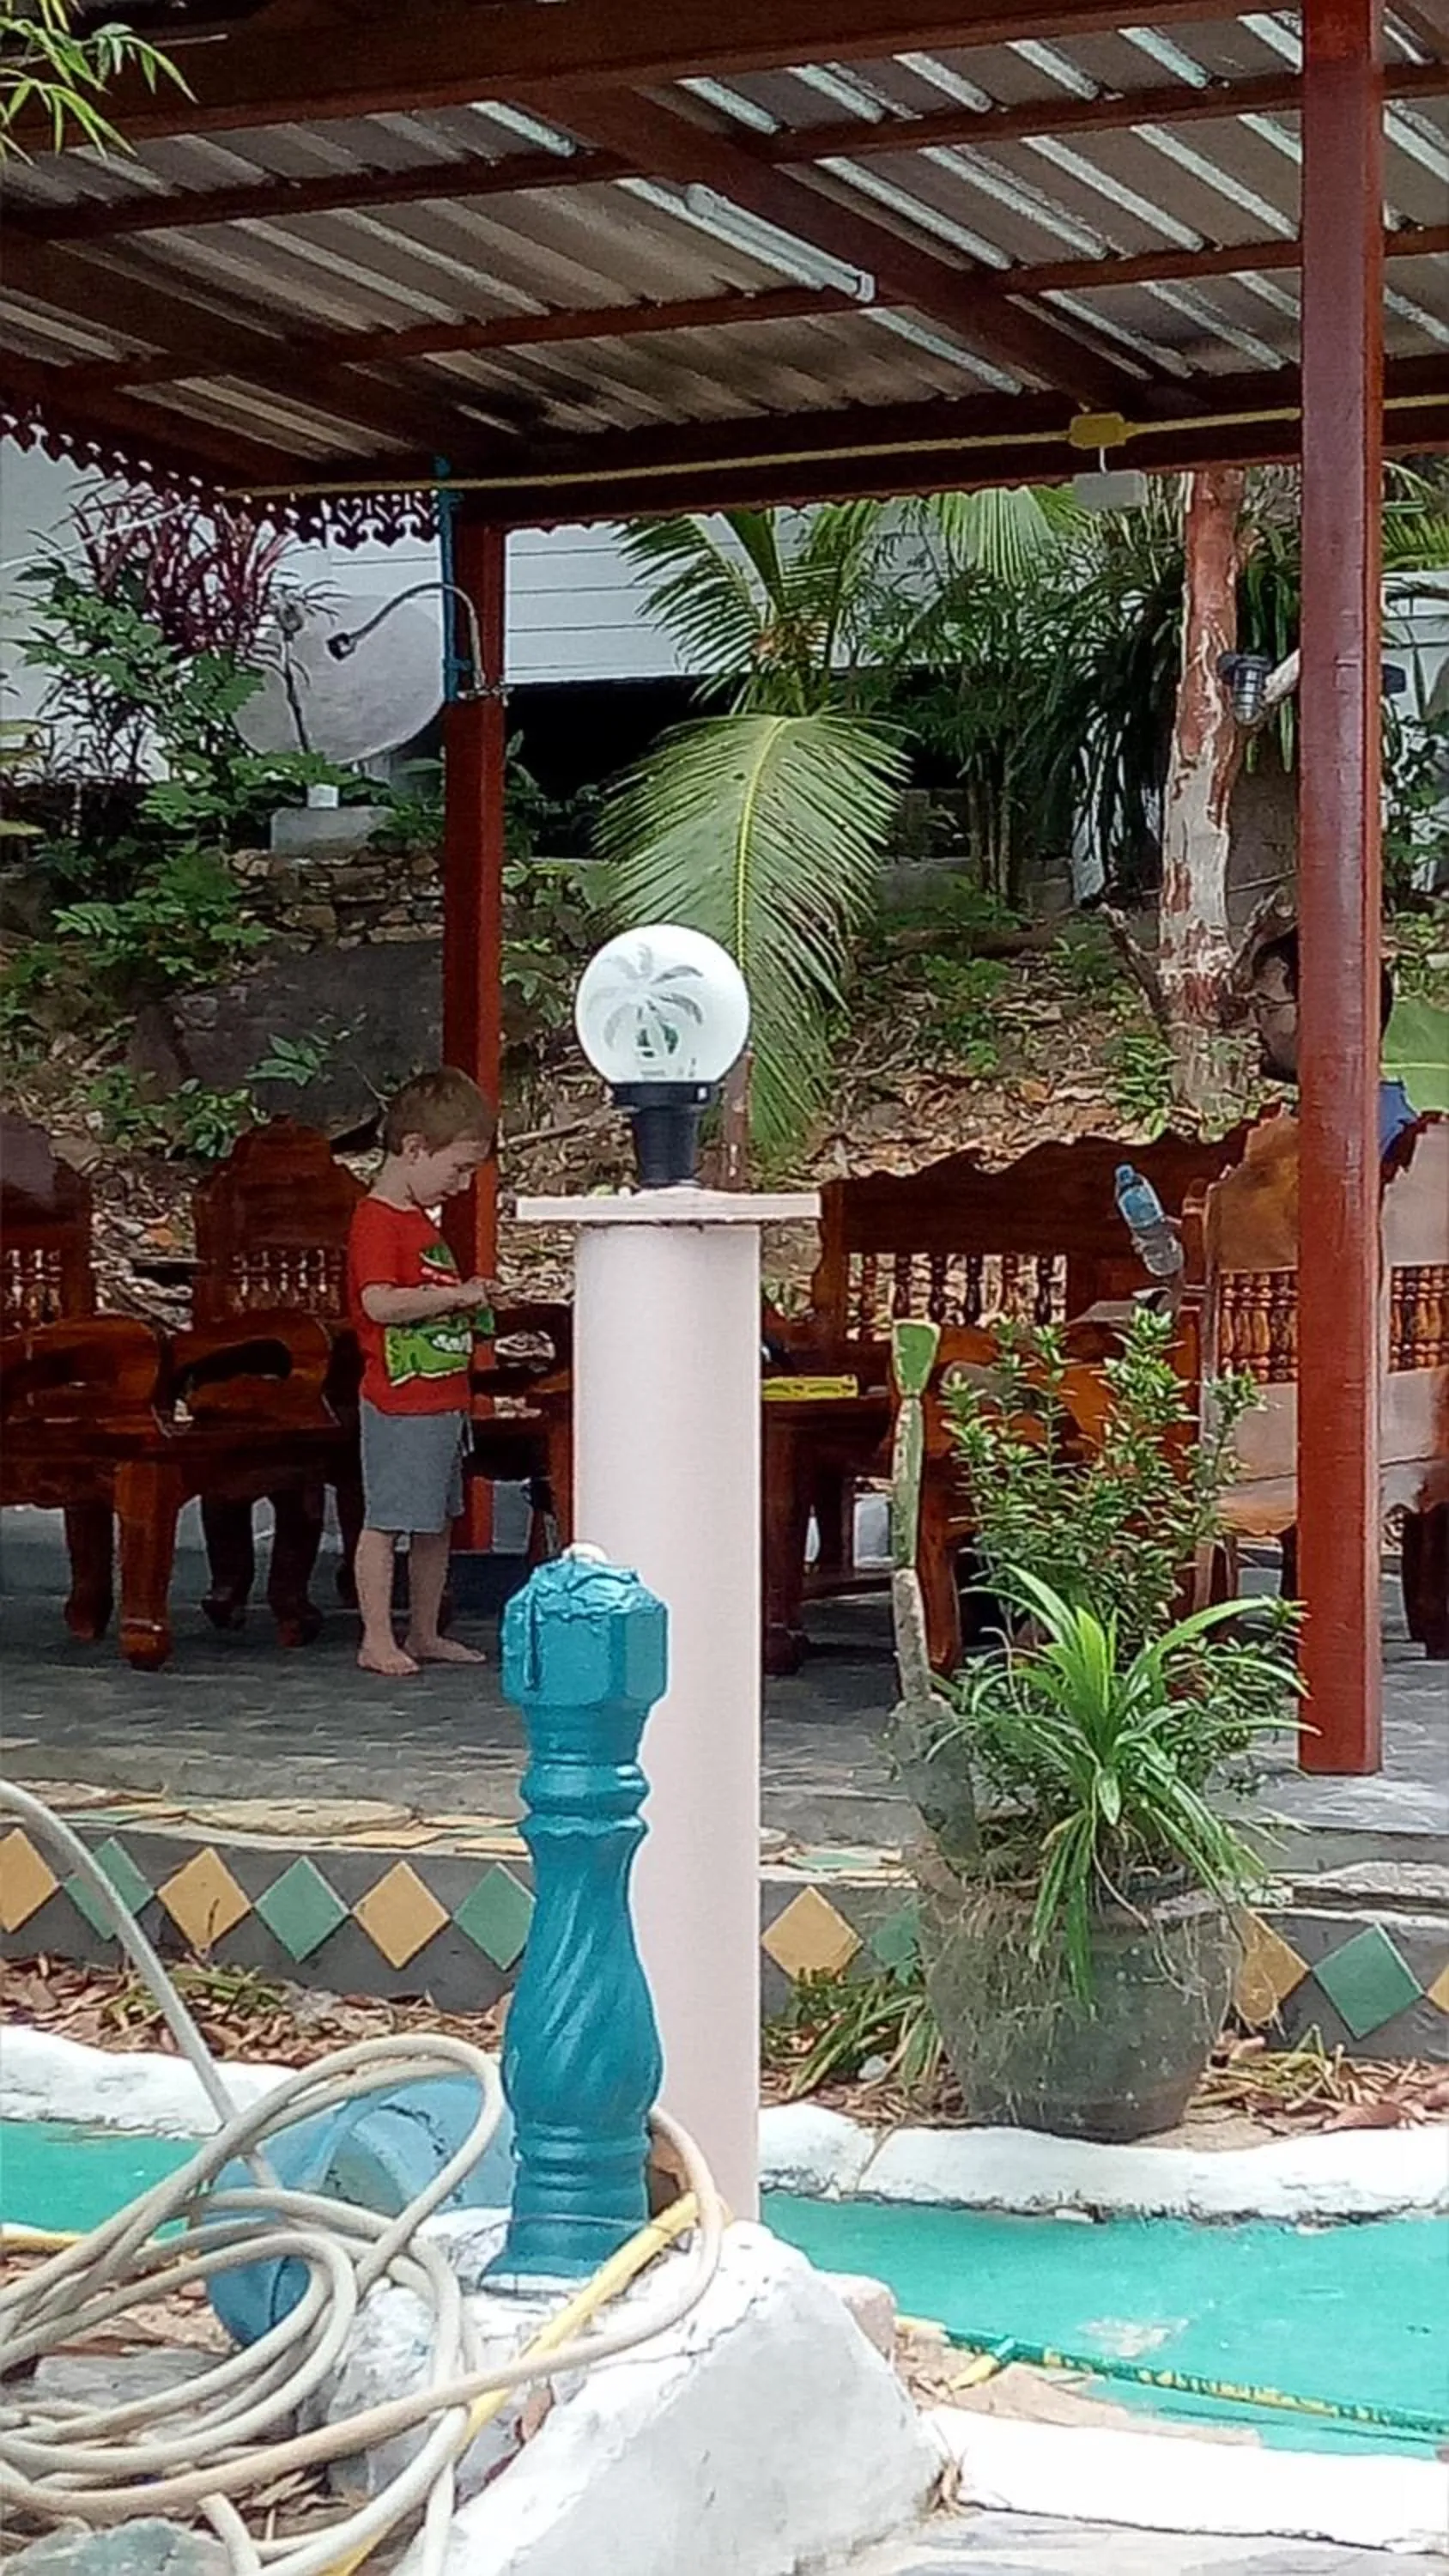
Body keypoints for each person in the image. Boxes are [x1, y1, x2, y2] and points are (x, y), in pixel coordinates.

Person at [348, 1066, 497, 1677]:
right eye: (458, 1168)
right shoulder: (377, 1221)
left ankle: (425, 1628)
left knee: (436, 1521)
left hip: (442, 1398)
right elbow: (378, 1302)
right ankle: (376, 1636)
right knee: (388, 1519)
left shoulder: (419, 1224)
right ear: (413, 1149)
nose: (461, 1184)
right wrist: (457, 1297)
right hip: (398, 1399)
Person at [1247, 928, 1416, 1159]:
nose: (1255, 1023)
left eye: (1267, 1006)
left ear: (1325, 1018)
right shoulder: (1311, 1127)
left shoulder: (1395, 1149)